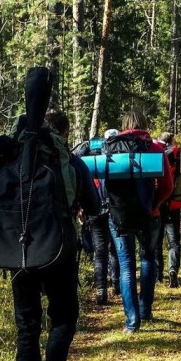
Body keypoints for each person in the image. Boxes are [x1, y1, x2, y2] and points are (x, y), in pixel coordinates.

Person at [11, 104, 100, 361]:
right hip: (58, 249)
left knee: (27, 327)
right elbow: (94, 204)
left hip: (18, 251)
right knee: (63, 316)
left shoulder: (13, 157)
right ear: (64, 134)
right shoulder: (71, 163)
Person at [108, 110, 174, 333]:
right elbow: (168, 186)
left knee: (126, 266)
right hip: (149, 216)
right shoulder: (155, 148)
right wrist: (154, 206)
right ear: (144, 124)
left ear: (124, 125)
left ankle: (132, 322)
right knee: (147, 260)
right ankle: (145, 310)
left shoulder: (111, 146)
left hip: (119, 217)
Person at [73, 128, 121, 305]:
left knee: (100, 252)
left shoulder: (85, 157)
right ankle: (116, 284)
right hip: (112, 208)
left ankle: (102, 292)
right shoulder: (115, 155)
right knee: (115, 249)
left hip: (93, 210)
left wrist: (79, 207)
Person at [156, 132, 181, 288]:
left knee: (157, 241)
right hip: (173, 203)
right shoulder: (177, 155)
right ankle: (172, 270)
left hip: (158, 204)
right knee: (174, 242)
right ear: (171, 141)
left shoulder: (156, 152)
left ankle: (157, 275)